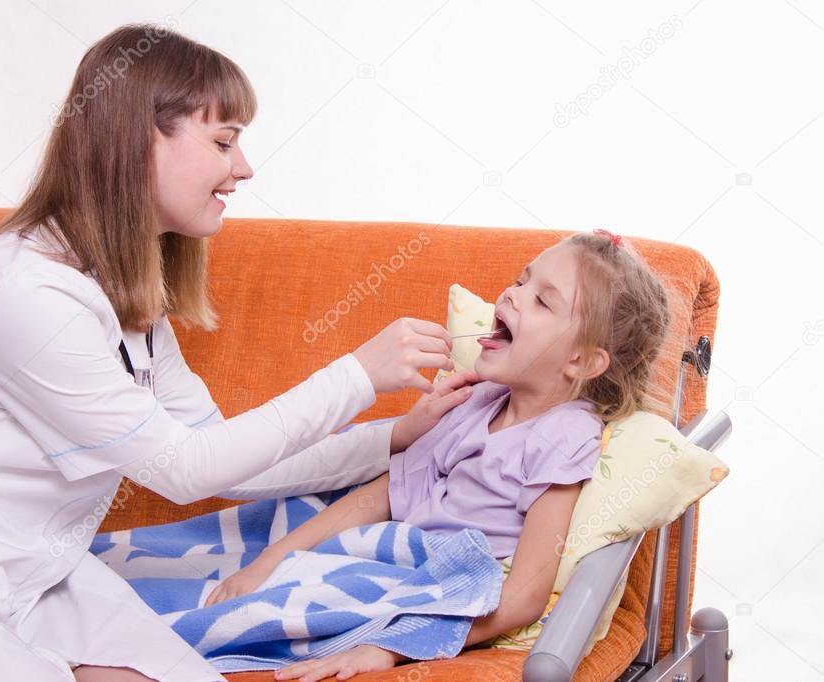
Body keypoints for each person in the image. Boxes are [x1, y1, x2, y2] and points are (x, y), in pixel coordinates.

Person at [0, 24, 474, 682]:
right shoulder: (25, 289)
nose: (242, 167)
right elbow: (182, 469)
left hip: (33, 572)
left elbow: (219, 460)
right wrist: (356, 375)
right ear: (141, 140)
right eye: (223, 141)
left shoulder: (125, 304)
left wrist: (395, 437)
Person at [202, 229, 674, 682]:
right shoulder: (476, 399)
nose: (511, 295)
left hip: (436, 579)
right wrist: (270, 561)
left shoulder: (563, 437)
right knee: (259, 531)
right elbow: (383, 494)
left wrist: (390, 644)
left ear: (581, 362)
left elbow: (527, 593)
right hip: (386, 549)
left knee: (230, 620)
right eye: (520, 280)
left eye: (542, 300)